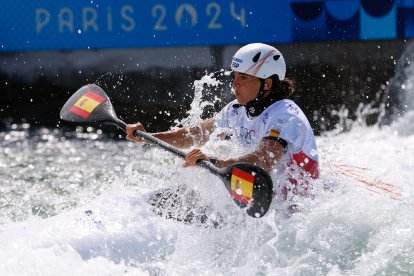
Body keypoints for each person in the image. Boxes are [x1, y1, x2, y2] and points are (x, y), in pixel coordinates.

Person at [126, 43, 319, 200]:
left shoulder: (286, 116)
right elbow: (196, 133)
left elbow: (265, 159)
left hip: (295, 206)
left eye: (243, 77)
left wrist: (217, 162)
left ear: (267, 83)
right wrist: (149, 137)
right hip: (260, 196)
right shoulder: (237, 109)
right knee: (153, 200)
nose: (234, 83)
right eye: (234, 76)